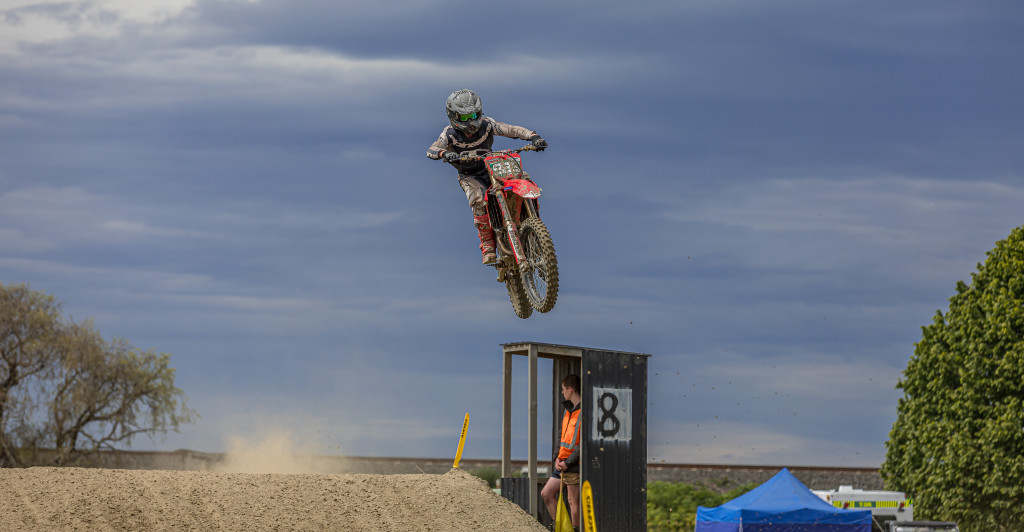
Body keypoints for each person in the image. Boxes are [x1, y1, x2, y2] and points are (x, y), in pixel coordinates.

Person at [426, 89, 547, 264]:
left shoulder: (487, 125)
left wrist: (533, 136)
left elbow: (510, 129)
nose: (471, 120)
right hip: (469, 175)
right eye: (465, 117)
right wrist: (444, 154)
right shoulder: (448, 134)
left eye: (474, 115)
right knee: (478, 200)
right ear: (454, 116)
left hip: (492, 167)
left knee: (524, 179)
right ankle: (488, 245)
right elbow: (432, 149)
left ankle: (536, 228)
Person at [541, 373, 582, 530]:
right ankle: (561, 527)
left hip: (573, 464)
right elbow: (561, 436)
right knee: (546, 493)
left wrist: (568, 462)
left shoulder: (583, 412)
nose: (562, 392)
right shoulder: (568, 410)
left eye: (563, 389)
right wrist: (556, 459)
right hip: (561, 463)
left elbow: (582, 444)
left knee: (572, 501)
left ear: (570, 389)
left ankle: (575, 529)